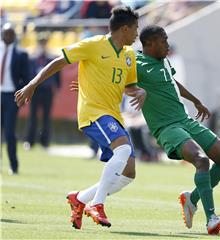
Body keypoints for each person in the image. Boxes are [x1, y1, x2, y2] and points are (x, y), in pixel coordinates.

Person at [15, 6, 146, 229]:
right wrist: (32, 84)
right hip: (93, 112)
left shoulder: (129, 56)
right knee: (123, 151)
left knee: (128, 172)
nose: (137, 33)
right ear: (124, 29)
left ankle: (81, 199)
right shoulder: (93, 45)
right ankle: (97, 204)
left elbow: (129, 86)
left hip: (113, 115)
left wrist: (139, 91)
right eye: (135, 28)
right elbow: (59, 61)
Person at [136, 25, 220, 235]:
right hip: (166, 127)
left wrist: (196, 101)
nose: (167, 45)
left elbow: (172, 82)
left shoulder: (163, 60)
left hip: (185, 121)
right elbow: (115, 80)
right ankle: (211, 219)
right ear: (149, 43)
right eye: (163, 41)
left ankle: (191, 199)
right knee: (201, 160)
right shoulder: (135, 64)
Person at [1, 23, 30, 175]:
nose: (8, 37)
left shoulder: (20, 54)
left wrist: (22, 94)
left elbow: (26, 78)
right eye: (6, 34)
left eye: (11, 34)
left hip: (10, 96)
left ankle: (13, 165)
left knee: (9, 132)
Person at [24, 37, 61, 150]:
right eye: (41, 43)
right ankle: (30, 141)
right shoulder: (32, 58)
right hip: (35, 91)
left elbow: (57, 76)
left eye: (44, 43)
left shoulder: (51, 59)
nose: (43, 45)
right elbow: (28, 74)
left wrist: (57, 88)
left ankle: (45, 142)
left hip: (47, 91)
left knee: (46, 117)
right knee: (33, 117)